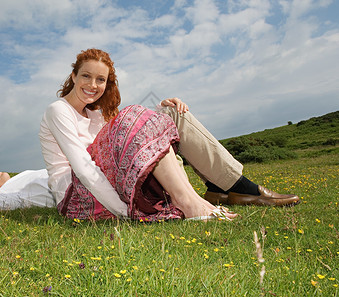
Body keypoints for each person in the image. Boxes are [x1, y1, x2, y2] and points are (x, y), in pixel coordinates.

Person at [39, 48, 298, 222]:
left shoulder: (96, 114)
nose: (93, 85)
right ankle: (194, 202)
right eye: (86, 76)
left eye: (101, 80)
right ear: (73, 76)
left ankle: (225, 186)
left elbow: (127, 141)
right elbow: (84, 168)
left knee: (172, 113)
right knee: (134, 115)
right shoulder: (58, 110)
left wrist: (161, 112)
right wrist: (123, 211)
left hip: (109, 182)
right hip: (79, 195)